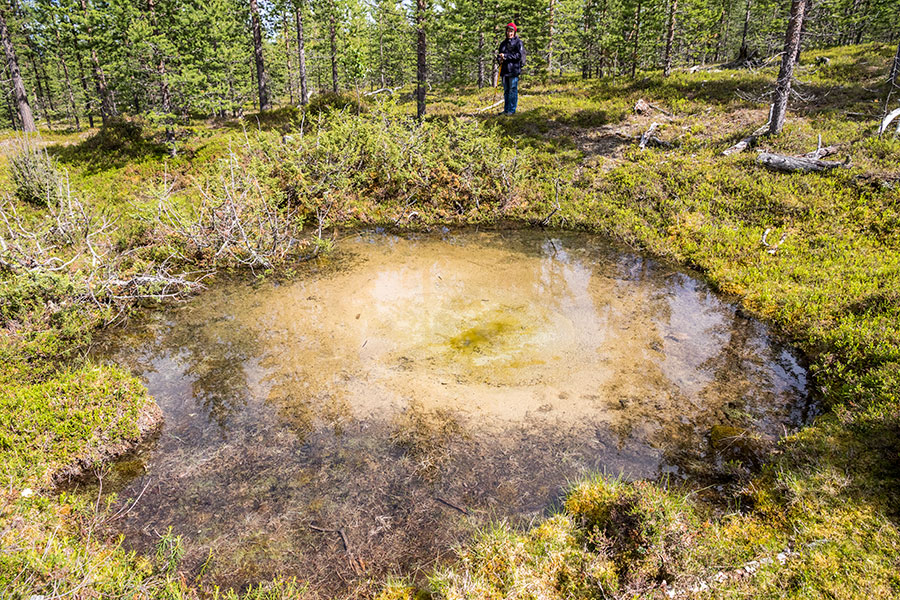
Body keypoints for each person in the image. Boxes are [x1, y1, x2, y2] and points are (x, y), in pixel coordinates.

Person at [497, 22, 523, 115]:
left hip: (513, 70)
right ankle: (506, 109)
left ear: (514, 32)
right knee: (506, 90)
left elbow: (519, 55)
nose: (509, 33)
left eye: (511, 31)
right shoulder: (503, 43)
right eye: (508, 31)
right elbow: (500, 54)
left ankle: (512, 110)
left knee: (512, 90)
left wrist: (506, 56)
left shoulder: (518, 42)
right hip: (504, 70)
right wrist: (499, 58)